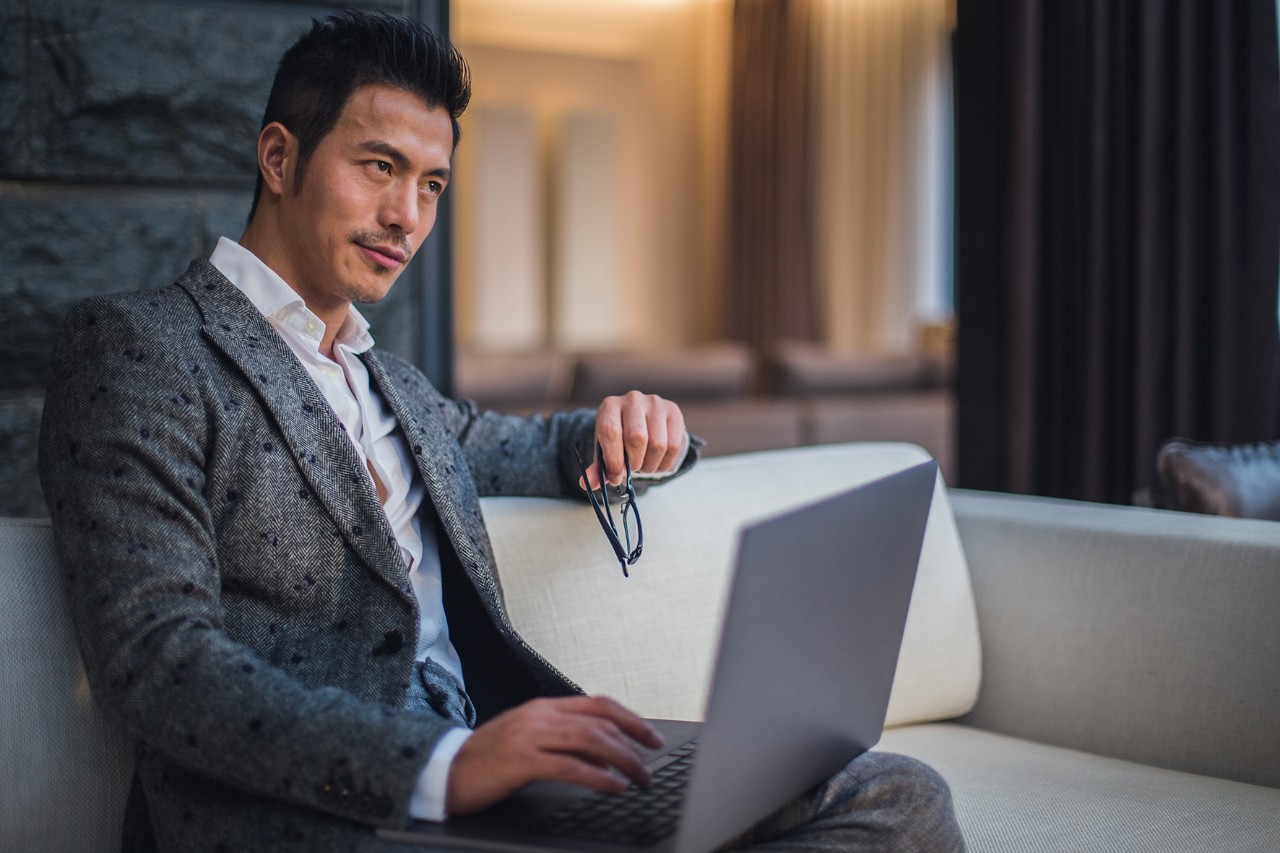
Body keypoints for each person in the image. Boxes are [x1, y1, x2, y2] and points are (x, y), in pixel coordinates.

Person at [38, 10, 963, 852]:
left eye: (432, 184)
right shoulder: (142, 349)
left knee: (898, 796)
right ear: (279, 159)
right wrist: (443, 763)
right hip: (329, 810)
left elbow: (542, 449)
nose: (407, 216)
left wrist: (635, 430)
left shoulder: (395, 386)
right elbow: (157, 661)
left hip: (498, 778)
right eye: (379, 167)